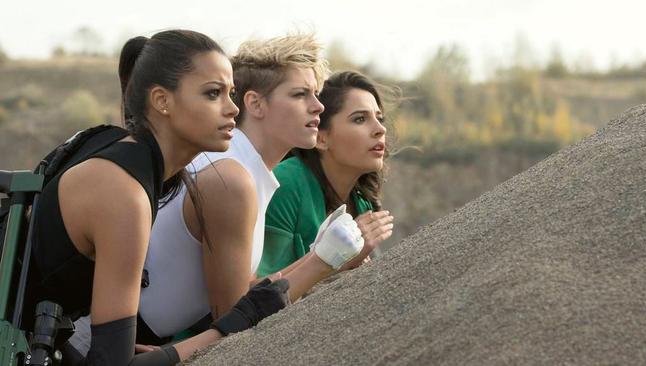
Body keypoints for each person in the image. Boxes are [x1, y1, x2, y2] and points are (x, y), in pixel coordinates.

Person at [23, 29, 289, 366]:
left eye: (231, 93)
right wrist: (236, 322)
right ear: (162, 101)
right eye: (213, 94)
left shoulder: (120, 151)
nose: (233, 109)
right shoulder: (124, 193)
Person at [138, 34, 366, 343]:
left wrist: (318, 253)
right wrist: (322, 261)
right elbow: (235, 318)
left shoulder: (238, 166)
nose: (318, 107)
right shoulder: (232, 179)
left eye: (316, 94)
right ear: (255, 103)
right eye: (300, 94)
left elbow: (245, 289)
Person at [259, 70, 394, 277]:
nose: (380, 129)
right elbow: (258, 296)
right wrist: (338, 257)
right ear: (321, 139)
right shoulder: (286, 184)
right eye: (359, 119)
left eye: (379, 118)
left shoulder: (361, 203)